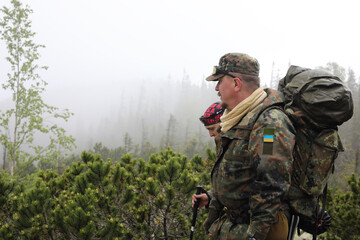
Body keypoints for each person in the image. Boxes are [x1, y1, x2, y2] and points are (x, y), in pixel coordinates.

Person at [192, 53, 295, 240]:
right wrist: (212, 196)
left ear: (236, 84)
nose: (216, 88)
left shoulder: (269, 125)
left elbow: (271, 184)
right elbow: (242, 177)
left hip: (258, 230)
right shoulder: (238, 120)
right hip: (235, 227)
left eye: (219, 81)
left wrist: (254, 235)